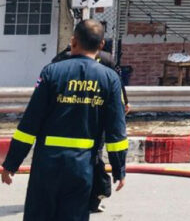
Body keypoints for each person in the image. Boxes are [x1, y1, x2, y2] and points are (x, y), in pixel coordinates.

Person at [1, 19, 128, 221]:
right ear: (101, 45)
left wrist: (11, 164)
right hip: (82, 168)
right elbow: (116, 132)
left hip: (46, 166)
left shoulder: (52, 72)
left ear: (73, 41)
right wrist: (119, 169)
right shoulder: (110, 78)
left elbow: (29, 124)